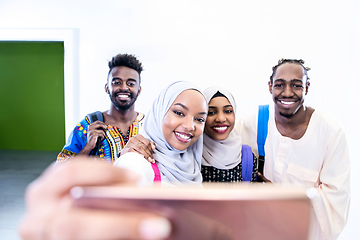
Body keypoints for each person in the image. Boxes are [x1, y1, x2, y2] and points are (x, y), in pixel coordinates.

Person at [236, 58, 351, 240]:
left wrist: (283, 200)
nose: (287, 93)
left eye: (296, 85)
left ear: (306, 87)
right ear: (270, 86)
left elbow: (334, 206)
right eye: (280, 85)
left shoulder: (331, 132)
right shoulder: (253, 122)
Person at [113, 81, 207, 186]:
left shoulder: (193, 168)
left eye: (199, 119)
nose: (189, 126)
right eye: (179, 113)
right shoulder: (136, 163)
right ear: (159, 112)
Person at [56, 53, 145, 163]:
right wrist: (88, 147)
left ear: (139, 90)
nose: (124, 87)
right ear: (107, 88)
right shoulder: (88, 125)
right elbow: (60, 169)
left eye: (130, 83)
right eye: (117, 82)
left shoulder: (148, 126)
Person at [201, 86, 257, 182]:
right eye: (211, 112)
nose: (221, 118)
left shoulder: (247, 158)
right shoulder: (190, 155)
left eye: (228, 111)